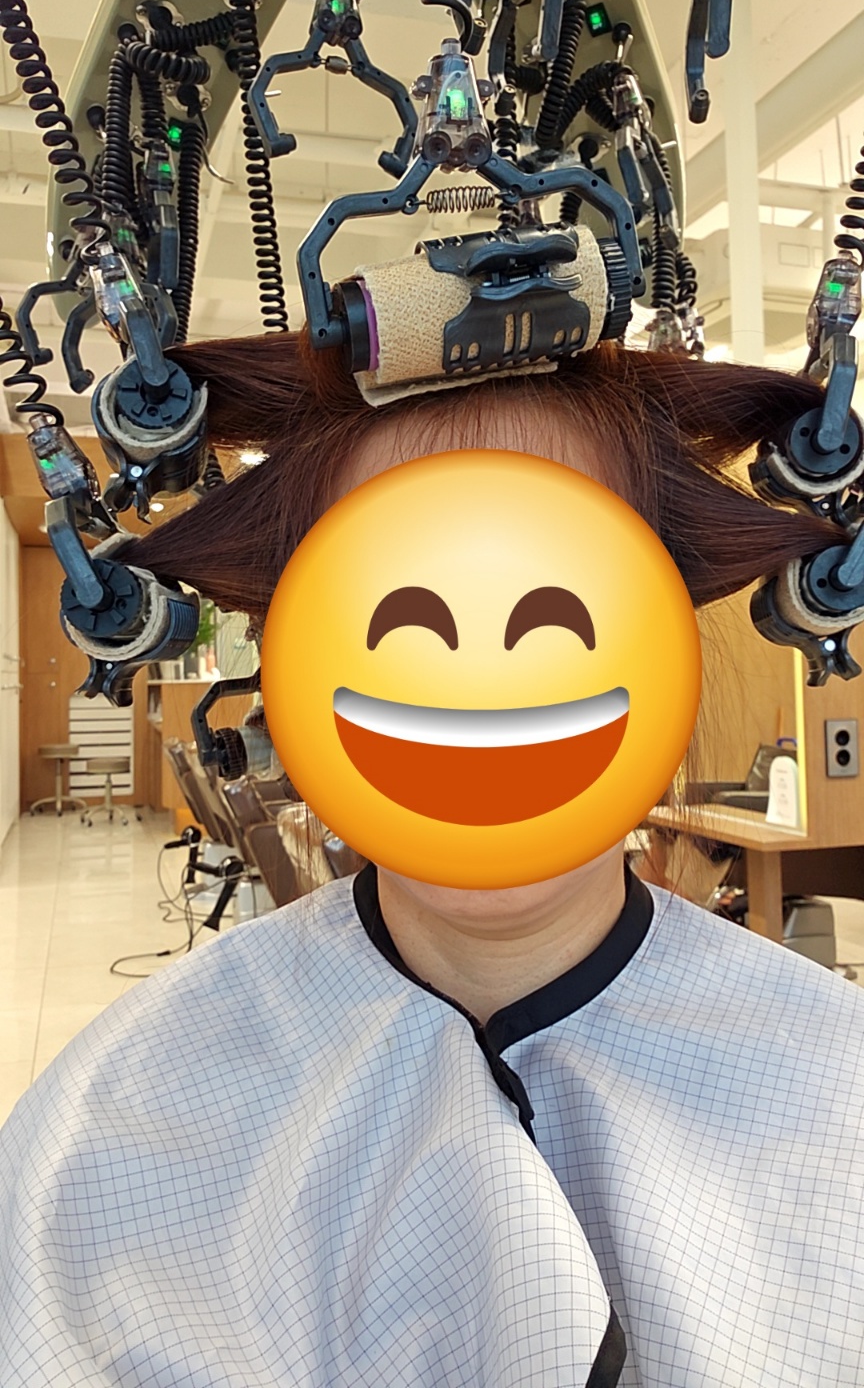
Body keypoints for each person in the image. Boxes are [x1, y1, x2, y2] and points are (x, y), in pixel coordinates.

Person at [1, 332, 863, 1387]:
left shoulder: (838, 1087)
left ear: (666, 639)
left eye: (562, 597)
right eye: (397, 604)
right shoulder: (104, 1131)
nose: (479, 667)